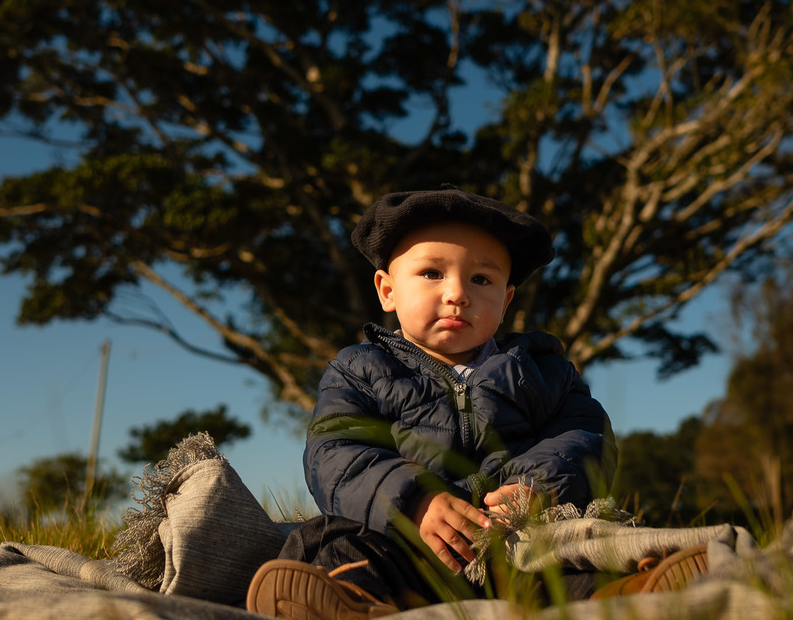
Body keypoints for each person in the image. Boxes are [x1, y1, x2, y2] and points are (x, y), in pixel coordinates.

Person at [246, 186, 617, 619]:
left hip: (515, 542)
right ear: (387, 291)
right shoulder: (359, 370)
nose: (457, 293)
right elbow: (334, 453)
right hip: (408, 548)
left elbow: (585, 435)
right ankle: (351, 603)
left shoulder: (540, 369)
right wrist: (412, 500)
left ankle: (636, 590)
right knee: (331, 541)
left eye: (481, 279)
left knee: (583, 546)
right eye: (432, 274)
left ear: (506, 300)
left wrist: (539, 488)